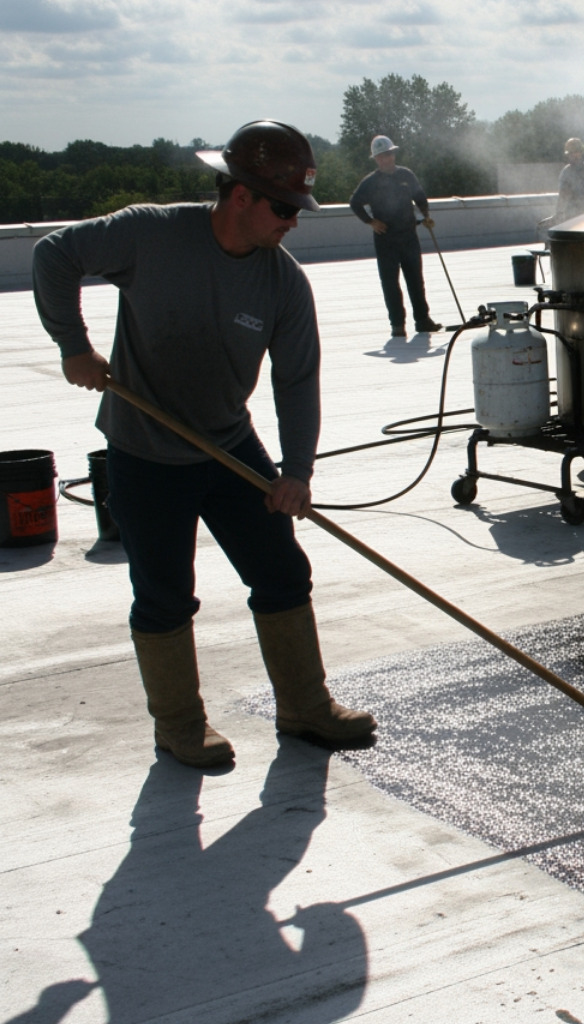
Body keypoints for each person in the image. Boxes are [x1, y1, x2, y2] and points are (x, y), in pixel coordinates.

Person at [32, 120, 377, 768]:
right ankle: (180, 727)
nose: (292, 224)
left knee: (281, 571)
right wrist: (73, 345)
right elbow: (54, 254)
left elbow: (297, 381)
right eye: (283, 209)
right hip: (144, 451)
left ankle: (304, 706)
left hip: (227, 443)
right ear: (240, 196)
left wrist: (296, 473)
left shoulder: (283, 283)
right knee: (164, 592)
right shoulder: (152, 234)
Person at [349, 134, 440, 338]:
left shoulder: (406, 175)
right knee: (390, 283)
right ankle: (397, 325)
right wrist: (370, 222)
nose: (386, 159)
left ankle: (423, 320)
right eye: (381, 156)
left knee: (416, 280)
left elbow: (420, 197)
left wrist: (426, 216)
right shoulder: (370, 182)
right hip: (385, 240)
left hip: (408, 235)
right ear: (375, 159)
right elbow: (354, 203)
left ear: (393, 154)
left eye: (388, 154)